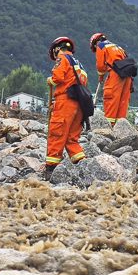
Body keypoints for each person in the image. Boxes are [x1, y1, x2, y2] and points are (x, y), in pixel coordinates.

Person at [45, 36, 88, 178]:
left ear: (57, 49)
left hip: (65, 101)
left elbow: (57, 78)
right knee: (71, 139)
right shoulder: (79, 64)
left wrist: (49, 80)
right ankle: (84, 167)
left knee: (57, 133)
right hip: (80, 105)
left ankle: (51, 170)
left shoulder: (62, 59)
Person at [90, 33, 133, 126]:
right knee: (122, 102)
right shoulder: (118, 47)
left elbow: (100, 66)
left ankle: (110, 127)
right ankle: (121, 127)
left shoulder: (101, 46)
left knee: (111, 99)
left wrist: (101, 78)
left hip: (116, 75)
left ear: (96, 43)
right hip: (127, 76)